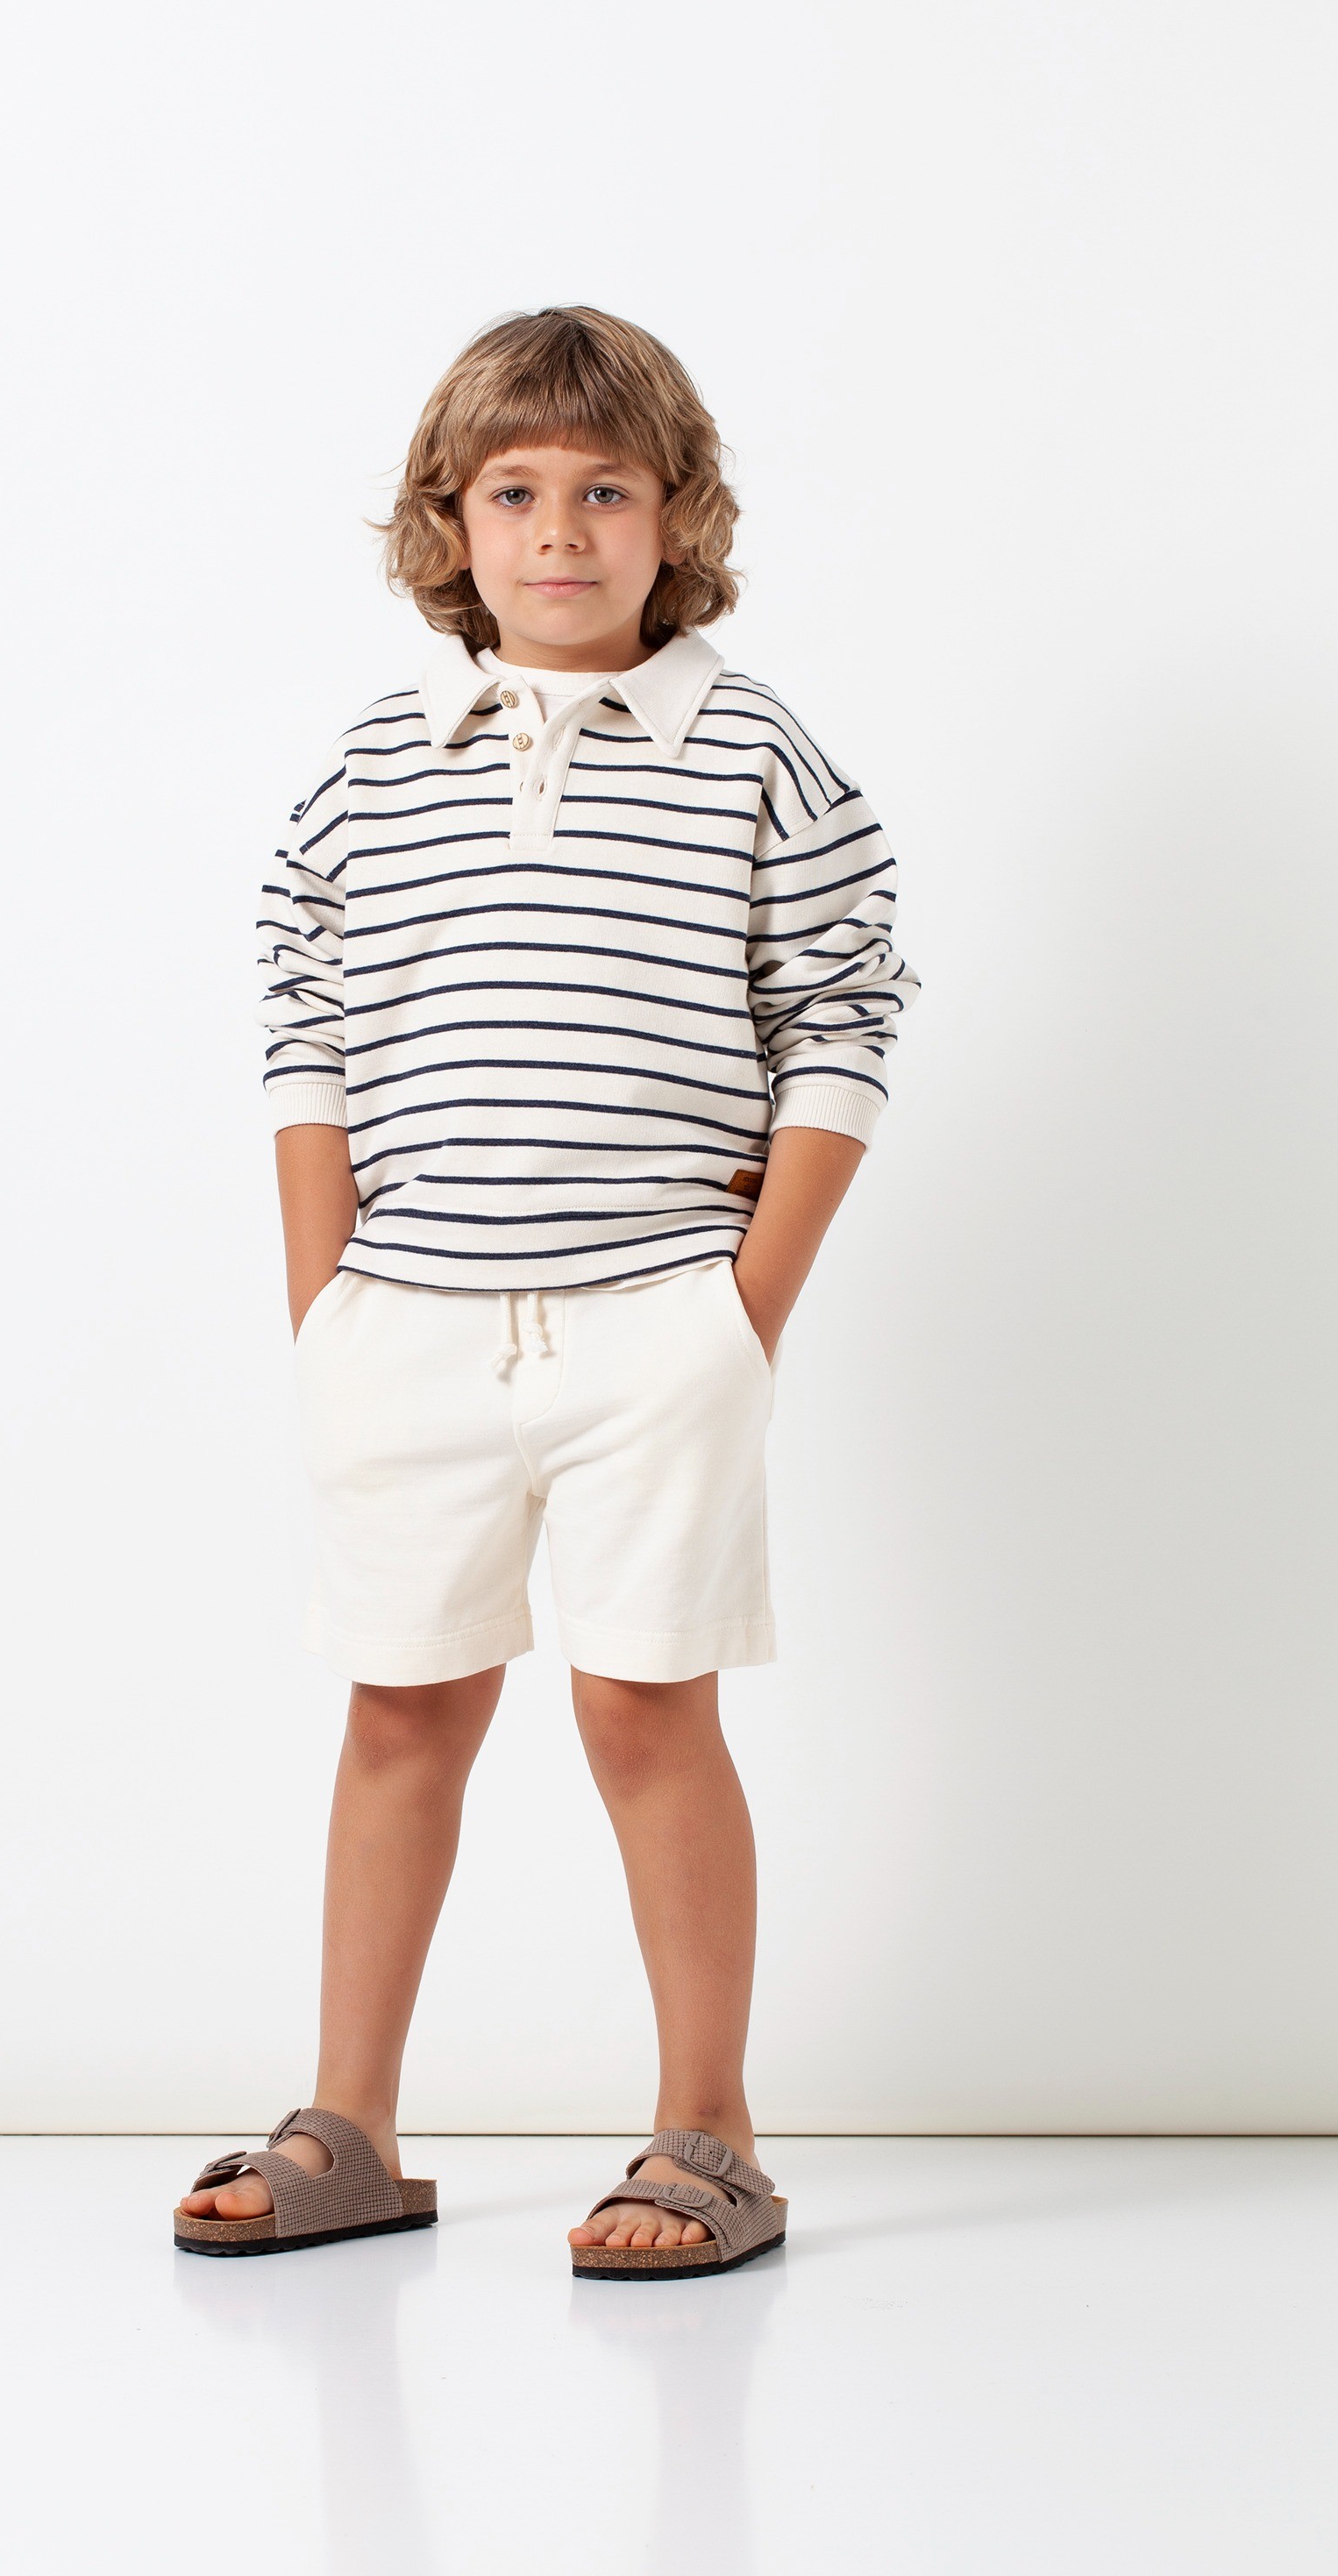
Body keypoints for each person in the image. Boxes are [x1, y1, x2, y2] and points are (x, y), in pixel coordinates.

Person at [174, 307, 920, 2278]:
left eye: (605, 490)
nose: (560, 531)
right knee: (398, 1712)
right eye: (513, 492)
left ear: (676, 517)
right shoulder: (374, 762)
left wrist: (740, 1310)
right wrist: (325, 1305)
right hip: (407, 1326)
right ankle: (349, 2125)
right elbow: (307, 1026)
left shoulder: (751, 747)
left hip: (653, 1320)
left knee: (641, 1709)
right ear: (451, 521)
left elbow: (843, 1016)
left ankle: (709, 2133)